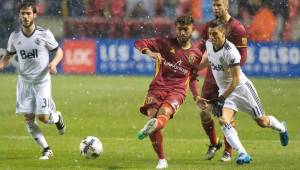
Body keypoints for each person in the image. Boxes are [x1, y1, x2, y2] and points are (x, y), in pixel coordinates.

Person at [197, 23, 289, 165]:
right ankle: (243, 154)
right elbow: (207, 61)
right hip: (226, 92)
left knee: (262, 122)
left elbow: (235, 80)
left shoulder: (231, 52)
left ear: (223, 34)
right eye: (210, 34)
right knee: (223, 121)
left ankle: (281, 127)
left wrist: (221, 99)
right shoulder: (209, 44)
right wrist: (192, 69)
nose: (212, 37)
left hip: (241, 89)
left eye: (215, 34)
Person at [134, 15, 202, 169]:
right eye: (180, 29)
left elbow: (192, 78)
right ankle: (162, 159)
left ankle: (153, 126)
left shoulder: (196, 54)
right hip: (157, 87)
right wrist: (150, 53)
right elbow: (139, 42)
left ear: (192, 30)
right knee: (152, 115)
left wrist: (197, 96)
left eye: (186, 29)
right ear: (175, 29)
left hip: (177, 91)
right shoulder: (164, 43)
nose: (182, 32)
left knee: (163, 111)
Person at [0, 2, 65, 160]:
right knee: (29, 119)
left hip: (41, 81)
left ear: (34, 15)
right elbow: (8, 56)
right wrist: (2, 64)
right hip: (24, 83)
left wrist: (54, 64)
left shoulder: (44, 34)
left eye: (28, 13)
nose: (25, 16)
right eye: (23, 13)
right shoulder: (15, 37)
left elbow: (59, 51)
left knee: (43, 118)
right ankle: (46, 149)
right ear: (19, 15)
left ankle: (56, 118)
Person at [192, 0, 248, 161]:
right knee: (204, 113)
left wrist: (229, 70)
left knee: (226, 116)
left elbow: (242, 57)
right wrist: (190, 62)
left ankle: (228, 151)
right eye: (214, 5)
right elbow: (200, 50)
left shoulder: (237, 28)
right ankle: (214, 143)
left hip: (229, 79)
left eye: (219, 5)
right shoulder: (209, 25)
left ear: (226, 6)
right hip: (212, 76)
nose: (216, 8)